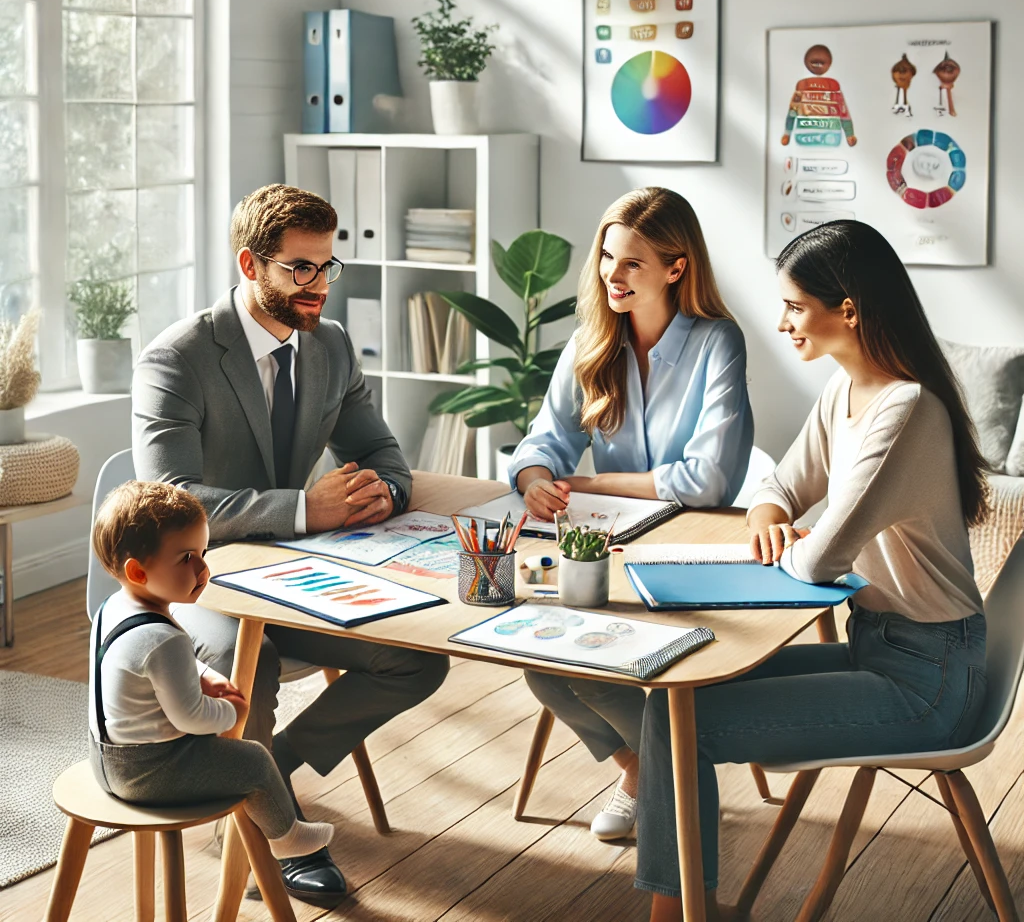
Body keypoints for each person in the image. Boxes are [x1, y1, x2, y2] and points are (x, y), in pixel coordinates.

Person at [635, 220, 989, 922]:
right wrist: (774, 516)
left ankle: (680, 914)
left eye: (796, 306)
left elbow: (821, 558)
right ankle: (687, 907)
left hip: (930, 680)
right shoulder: (845, 393)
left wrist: (798, 537)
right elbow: (779, 489)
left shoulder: (907, 409)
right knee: (666, 703)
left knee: (690, 725)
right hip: (879, 646)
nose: (783, 321)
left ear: (848, 310)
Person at [132, 184, 449, 906]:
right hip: (192, 577)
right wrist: (308, 506)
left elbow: (382, 452)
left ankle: (263, 780)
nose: (317, 287)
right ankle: (268, 831)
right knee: (252, 660)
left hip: (299, 569)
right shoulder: (176, 359)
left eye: (327, 267)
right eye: (299, 269)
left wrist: (381, 493)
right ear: (251, 263)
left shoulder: (331, 345)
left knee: (415, 659)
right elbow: (171, 503)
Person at [508, 187, 754, 842]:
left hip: (695, 552)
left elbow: (708, 480)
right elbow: (543, 444)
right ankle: (644, 769)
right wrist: (536, 479)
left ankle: (655, 776)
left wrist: (594, 481)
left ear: (677, 267)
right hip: (609, 549)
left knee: (618, 651)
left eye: (632, 264)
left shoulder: (716, 344)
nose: (611, 277)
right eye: (607, 259)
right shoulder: (592, 342)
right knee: (539, 655)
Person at [89, 481, 335, 861]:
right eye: (187, 557)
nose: (203, 568)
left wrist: (203, 673)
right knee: (252, 759)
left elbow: (158, 666)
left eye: (203, 552)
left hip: (105, 757)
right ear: (138, 572)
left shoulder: (113, 609)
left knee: (240, 753)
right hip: (151, 773)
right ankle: (287, 837)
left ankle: (283, 834)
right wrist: (233, 710)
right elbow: (190, 717)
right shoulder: (162, 638)